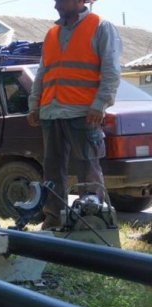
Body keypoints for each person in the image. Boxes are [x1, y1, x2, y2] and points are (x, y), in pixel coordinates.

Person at [27, 0, 122, 229]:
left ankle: (92, 221)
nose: (55, 4)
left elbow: (111, 69)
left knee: (88, 168)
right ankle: (54, 218)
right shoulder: (52, 34)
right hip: (51, 112)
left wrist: (100, 104)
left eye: (61, 0)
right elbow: (42, 72)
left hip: (84, 113)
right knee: (52, 170)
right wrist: (34, 104)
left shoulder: (101, 26)